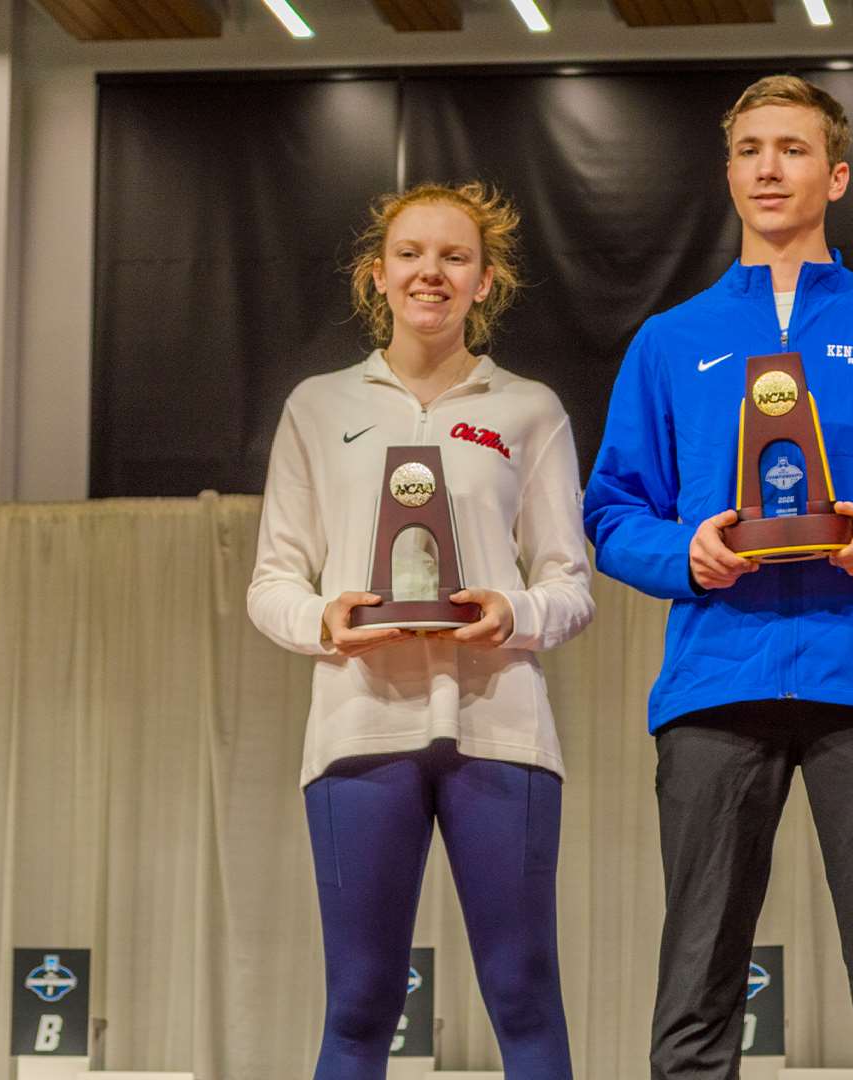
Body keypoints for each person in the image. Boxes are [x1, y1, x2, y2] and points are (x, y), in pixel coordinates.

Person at [582, 74, 853, 1080]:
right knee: (698, 980)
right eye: (752, 149)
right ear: (728, 175)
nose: (771, 166)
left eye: (794, 149)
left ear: (836, 174)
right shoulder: (668, 341)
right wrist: (686, 553)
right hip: (716, 683)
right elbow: (611, 512)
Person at [247, 180, 594, 1080]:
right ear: (377, 274)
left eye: (454, 257)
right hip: (361, 727)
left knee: (522, 992)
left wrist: (512, 614)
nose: (430, 272)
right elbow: (273, 579)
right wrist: (324, 621)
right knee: (361, 1001)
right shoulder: (318, 408)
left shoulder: (530, 409)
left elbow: (570, 581)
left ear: (486, 282)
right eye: (410, 254)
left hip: (503, 730)